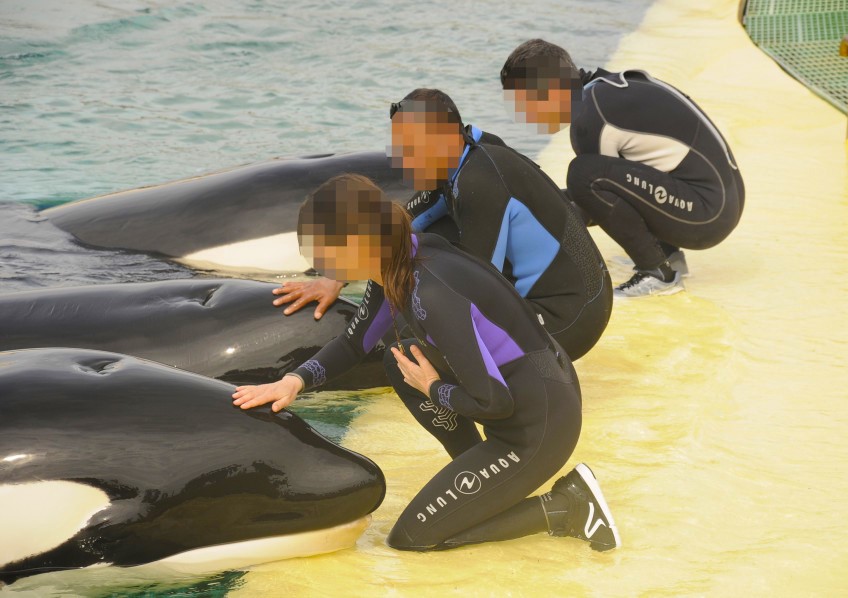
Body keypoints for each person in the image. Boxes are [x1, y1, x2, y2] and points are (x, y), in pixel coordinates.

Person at [233, 174, 620, 552]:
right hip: (534, 396)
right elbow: (354, 344)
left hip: (539, 425)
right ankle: (478, 472)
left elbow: (495, 402)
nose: (317, 263)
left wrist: (433, 387)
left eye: (321, 250)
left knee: (414, 538)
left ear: (358, 244)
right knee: (397, 360)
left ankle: (567, 507)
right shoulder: (401, 260)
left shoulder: (431, 293)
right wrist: (292, 382)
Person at [274, 89, 611, 362]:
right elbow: (402, 223)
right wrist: (337, 276)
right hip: (578, 289)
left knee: (412, 343)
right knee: (424, 241)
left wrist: (411, 316)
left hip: (570, 318)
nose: (401, 160)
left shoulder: (480, 184)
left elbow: (478, 290)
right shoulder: (466, 155)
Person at [500, 39, 745, 297]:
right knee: (595, 178)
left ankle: (657, 272)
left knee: (583, 175)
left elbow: (594, 200)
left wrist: (523, 240)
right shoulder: (601, 91)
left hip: (707, 217)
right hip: (719, 204)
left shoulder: (589, 119)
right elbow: (621, 189)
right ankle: (667, 257)